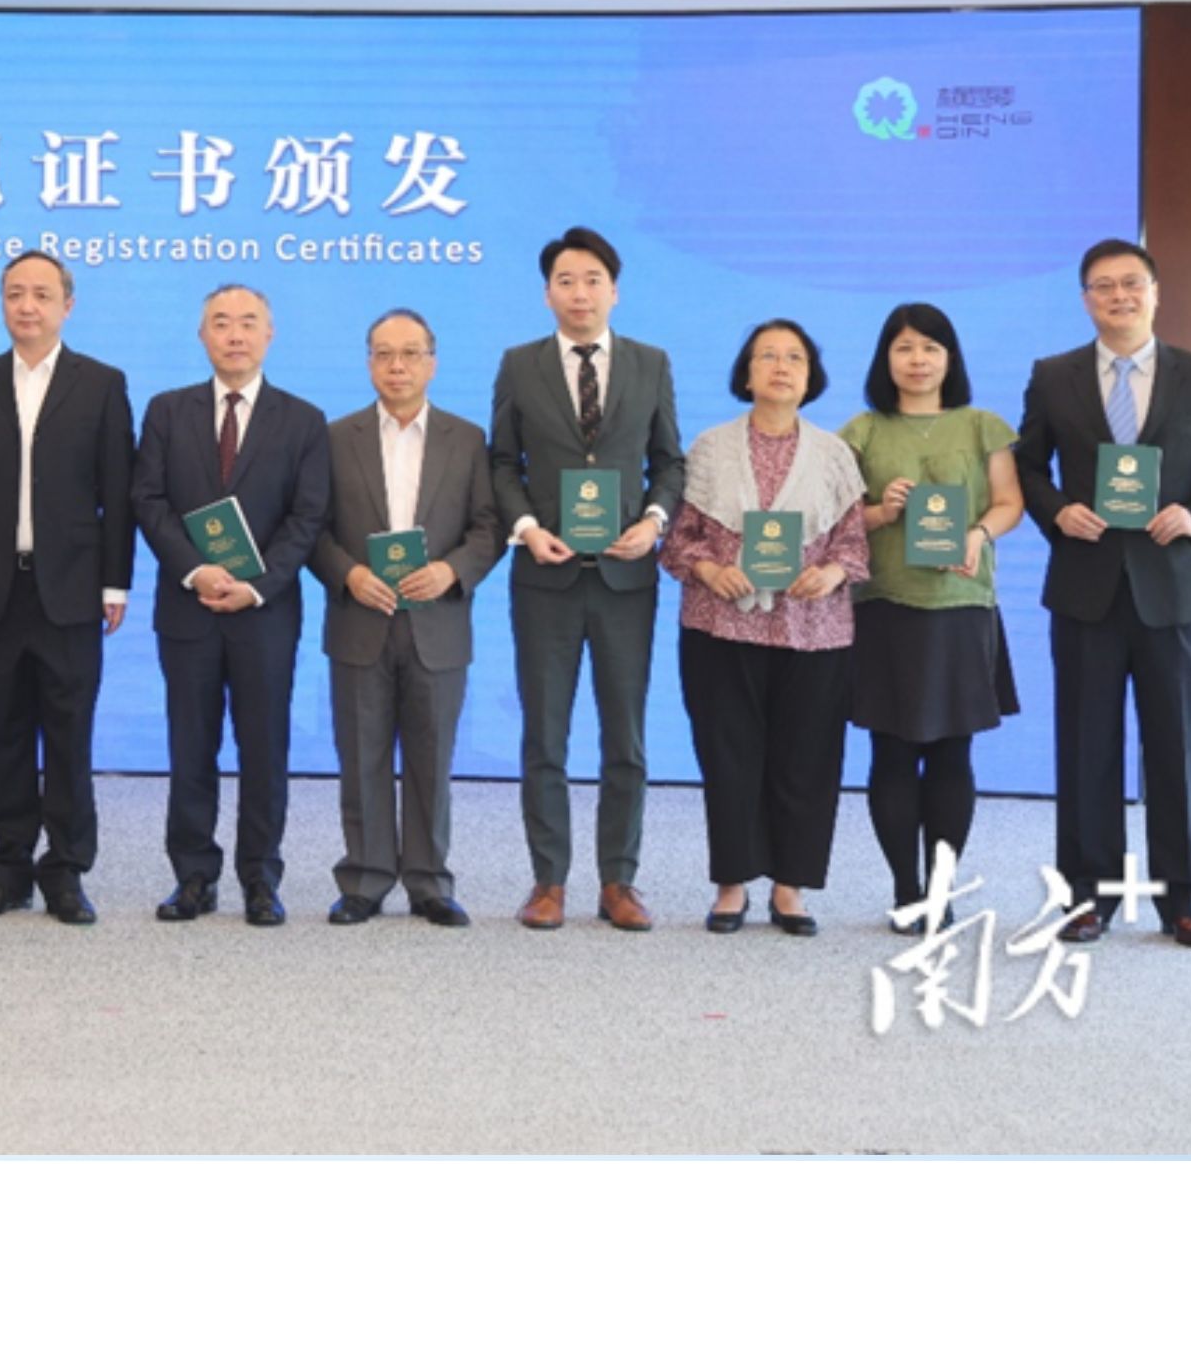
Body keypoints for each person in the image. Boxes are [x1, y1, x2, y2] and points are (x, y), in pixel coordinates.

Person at [1012, 236, 1191, 950]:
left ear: (1155, 292)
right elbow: (1026, 466)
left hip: (1172, 588)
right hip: (1085, 587)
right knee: (1086, 749)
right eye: (1103, 286)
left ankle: (1184, 901)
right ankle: (1086, 899)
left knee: (1174, 751)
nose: (1118, 296)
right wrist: (1057, 511)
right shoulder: (1054, 375)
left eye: (1131, 283)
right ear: (1086, 299)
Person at [486, 225, 686, 931]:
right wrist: (525, 527)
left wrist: (655, 521)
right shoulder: (520, 365)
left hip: (628, 579)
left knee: (625, 737)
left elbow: (670, 461)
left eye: (593, 280)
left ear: (614, 291)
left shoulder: (650, 363)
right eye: (566, 281)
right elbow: (502, 463)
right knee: (545, 735)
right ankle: (548, 881)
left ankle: (618, 881)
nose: (580, 293)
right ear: (547, 294)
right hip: (546, 578)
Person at [661, 319, 871, 933]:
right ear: (746, 373)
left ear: (810, 377)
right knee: (728, 757)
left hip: (814, 630)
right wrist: (708, 568)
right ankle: (731, 884)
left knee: (807, 759)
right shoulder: (708, 449)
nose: (781, 367)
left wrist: (832, 573)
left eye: (795, 358)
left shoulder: (835, 454)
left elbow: (855, 544)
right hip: (720, 626)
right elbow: (678, 539)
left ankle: (790, 887)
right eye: (768, 357)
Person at [131, 285, 331, 924]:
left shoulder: (303, 420)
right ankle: (193, 877)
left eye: (248, 323)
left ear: (270, 335)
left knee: (264, 748)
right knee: (190, 745)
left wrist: (257, 584)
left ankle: (261, 878)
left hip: (265, 613)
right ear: (202, 335)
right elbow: (148, 501)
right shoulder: (167, 411)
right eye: (221, 323)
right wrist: (195, 571)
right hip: (187, 610)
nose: (235, 334)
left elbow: (308, 517)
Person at [0, 248, 135, 925]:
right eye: (15, 294)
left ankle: (66, 871)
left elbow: (118, 491)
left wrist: (116, 584)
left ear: (67, 306)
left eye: (41, 294)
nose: (27, 306)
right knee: (3, 734)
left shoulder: (101, 384)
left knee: (68, 736)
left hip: (73, 589)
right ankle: (8, 869)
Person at [312, 309, 506, 925]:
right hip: (360, 618)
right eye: (384, 354)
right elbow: (311, 528)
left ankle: (428, 881)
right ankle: (365, 879)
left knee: (432, 758)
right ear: (369, 362)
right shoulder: (333, 437)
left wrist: (452, 570)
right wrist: (349, 574)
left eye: (411, 353)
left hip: (437, 622)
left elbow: (489, 527)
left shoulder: (466, 439)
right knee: (361, 755)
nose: (397, 366)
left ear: (432, 362)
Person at [837, 301, 1026, 926]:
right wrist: (880, 512)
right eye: (904, 348)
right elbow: (836, 521)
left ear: (950, 358)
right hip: (885, 605)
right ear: (885, 359)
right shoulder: (861, 432)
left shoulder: (983, 426)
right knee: (891, 752)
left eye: (930, 348)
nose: (917, 360)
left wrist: (977, 535)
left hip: (961, 606)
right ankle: (905, 890)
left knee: (952, 753)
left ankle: (940, 892)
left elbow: (1008, 503)